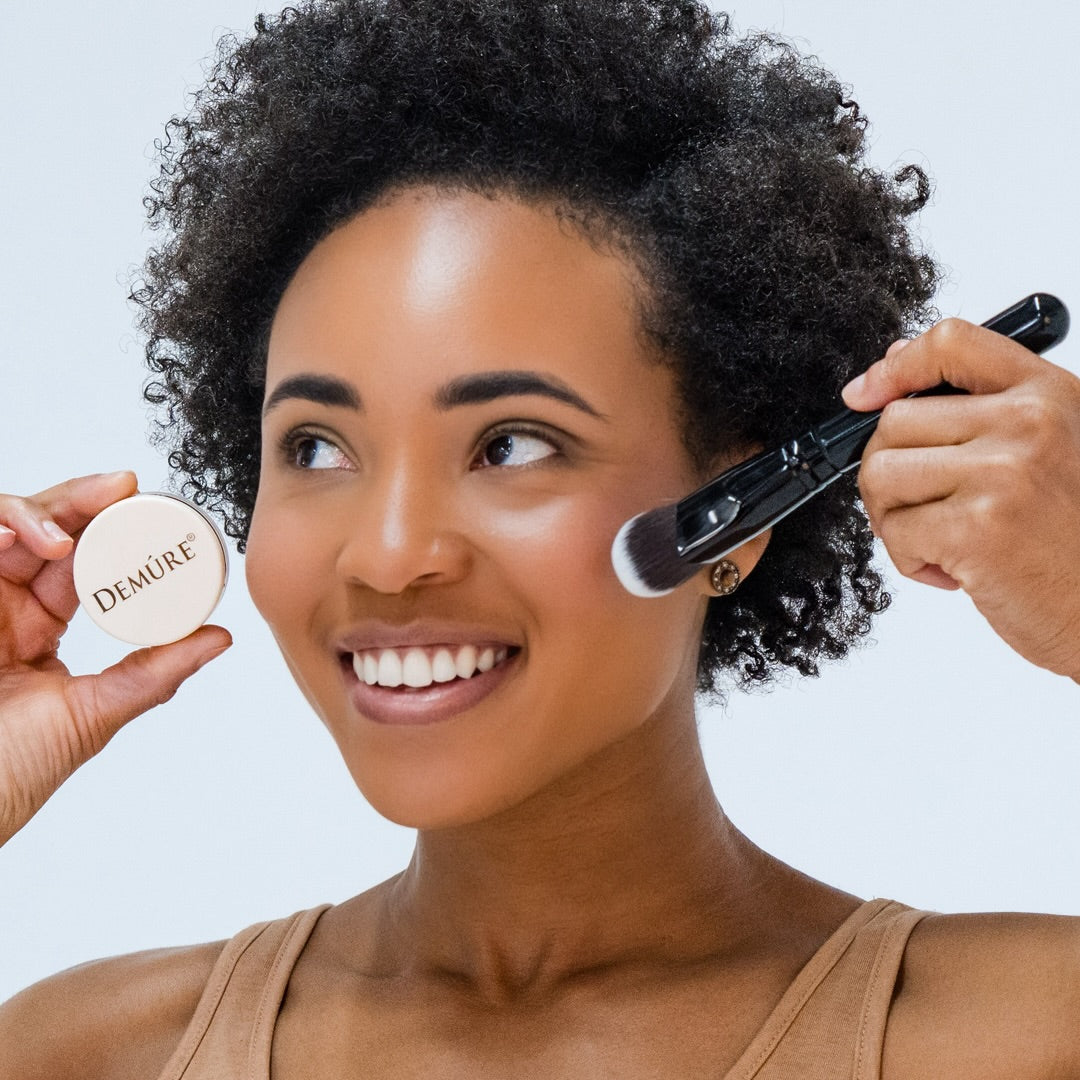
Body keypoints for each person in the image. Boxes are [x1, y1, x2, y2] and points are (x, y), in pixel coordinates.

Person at [1, 1, 1079, 1076]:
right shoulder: (88, 1053)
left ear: (736, 515)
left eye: (510, 445)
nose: (386, 554)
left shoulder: (1018, 1033)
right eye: (319, 449)